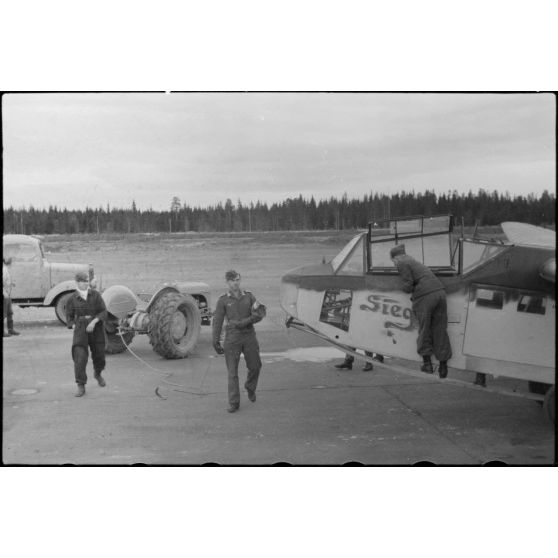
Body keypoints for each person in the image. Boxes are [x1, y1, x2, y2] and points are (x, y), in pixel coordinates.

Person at [390, 244, 452, 378]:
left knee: (424, 329)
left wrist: (401, 289)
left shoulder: (402, 263)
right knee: (440, 329)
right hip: (440, 293)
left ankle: (427, 364)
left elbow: (408, 284)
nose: (394, 264)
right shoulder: (414, 262)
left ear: (396, 257)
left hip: (425, 296)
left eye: (393, 261)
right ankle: (443, 367)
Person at [212, 270, 266, 413]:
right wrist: (215, 340)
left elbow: (260, 313)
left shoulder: (249, 297)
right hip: (232, 338)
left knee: (255, 366)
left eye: (237, 280)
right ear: (227, 282)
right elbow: (217, 321)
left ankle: (250, 387)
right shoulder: (223, 300)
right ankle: (234, 403)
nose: (235, 283)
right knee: (232, 372)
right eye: (232, 280)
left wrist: (245, 322)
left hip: (249, 336)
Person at [66, 271, 108, 397]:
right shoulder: (72, 299)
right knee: (80, 358)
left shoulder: (95, 295)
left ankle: (98, 373)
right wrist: (74, 325)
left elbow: (103, 312)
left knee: (100, 355)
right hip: (80, 330)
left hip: (96, 328)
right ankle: (81, 385)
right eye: (83, 281)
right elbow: (69, 316)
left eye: (87, 281)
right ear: (77, 282)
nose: (86, 284)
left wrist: (94, 322)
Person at [3, 257, 20, 337]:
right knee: (4, 313)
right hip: (4, 295)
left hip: (7, 294)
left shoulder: (5, 269)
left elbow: (6, 281)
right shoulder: (4, 270)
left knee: (9, 312)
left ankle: (10, 330)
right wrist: (4, 293)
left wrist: (11, 283)